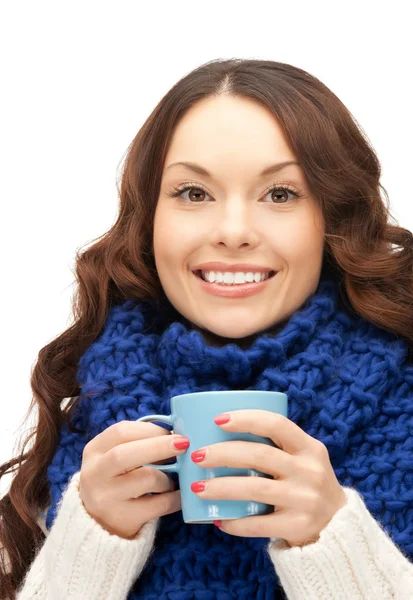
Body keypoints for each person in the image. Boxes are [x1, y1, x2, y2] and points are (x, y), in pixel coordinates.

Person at [1, 58, 413, 600]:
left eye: (281, 194)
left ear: (332, 219)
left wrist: (333, 539)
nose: (233, 231)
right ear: (149, 219)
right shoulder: (87, 422)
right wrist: (93, 538)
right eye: (194, 193)